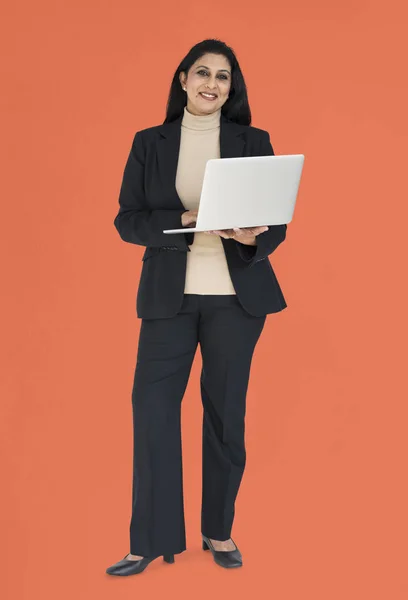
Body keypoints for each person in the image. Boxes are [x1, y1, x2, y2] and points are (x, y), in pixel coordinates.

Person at [106, 38, 288, 576]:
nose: (213, 83)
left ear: (232, 88)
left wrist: (252, 236)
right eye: (203, 73)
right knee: (153, 412)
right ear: (182, 78)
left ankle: (219, 530)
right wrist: (187, 221)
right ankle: (148, 540)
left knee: (225, 417)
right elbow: (128, 220)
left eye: (224, 77)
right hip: (170, 298)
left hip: (236, 300)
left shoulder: (253, 140)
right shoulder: (150, 142)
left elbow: (275, 223)